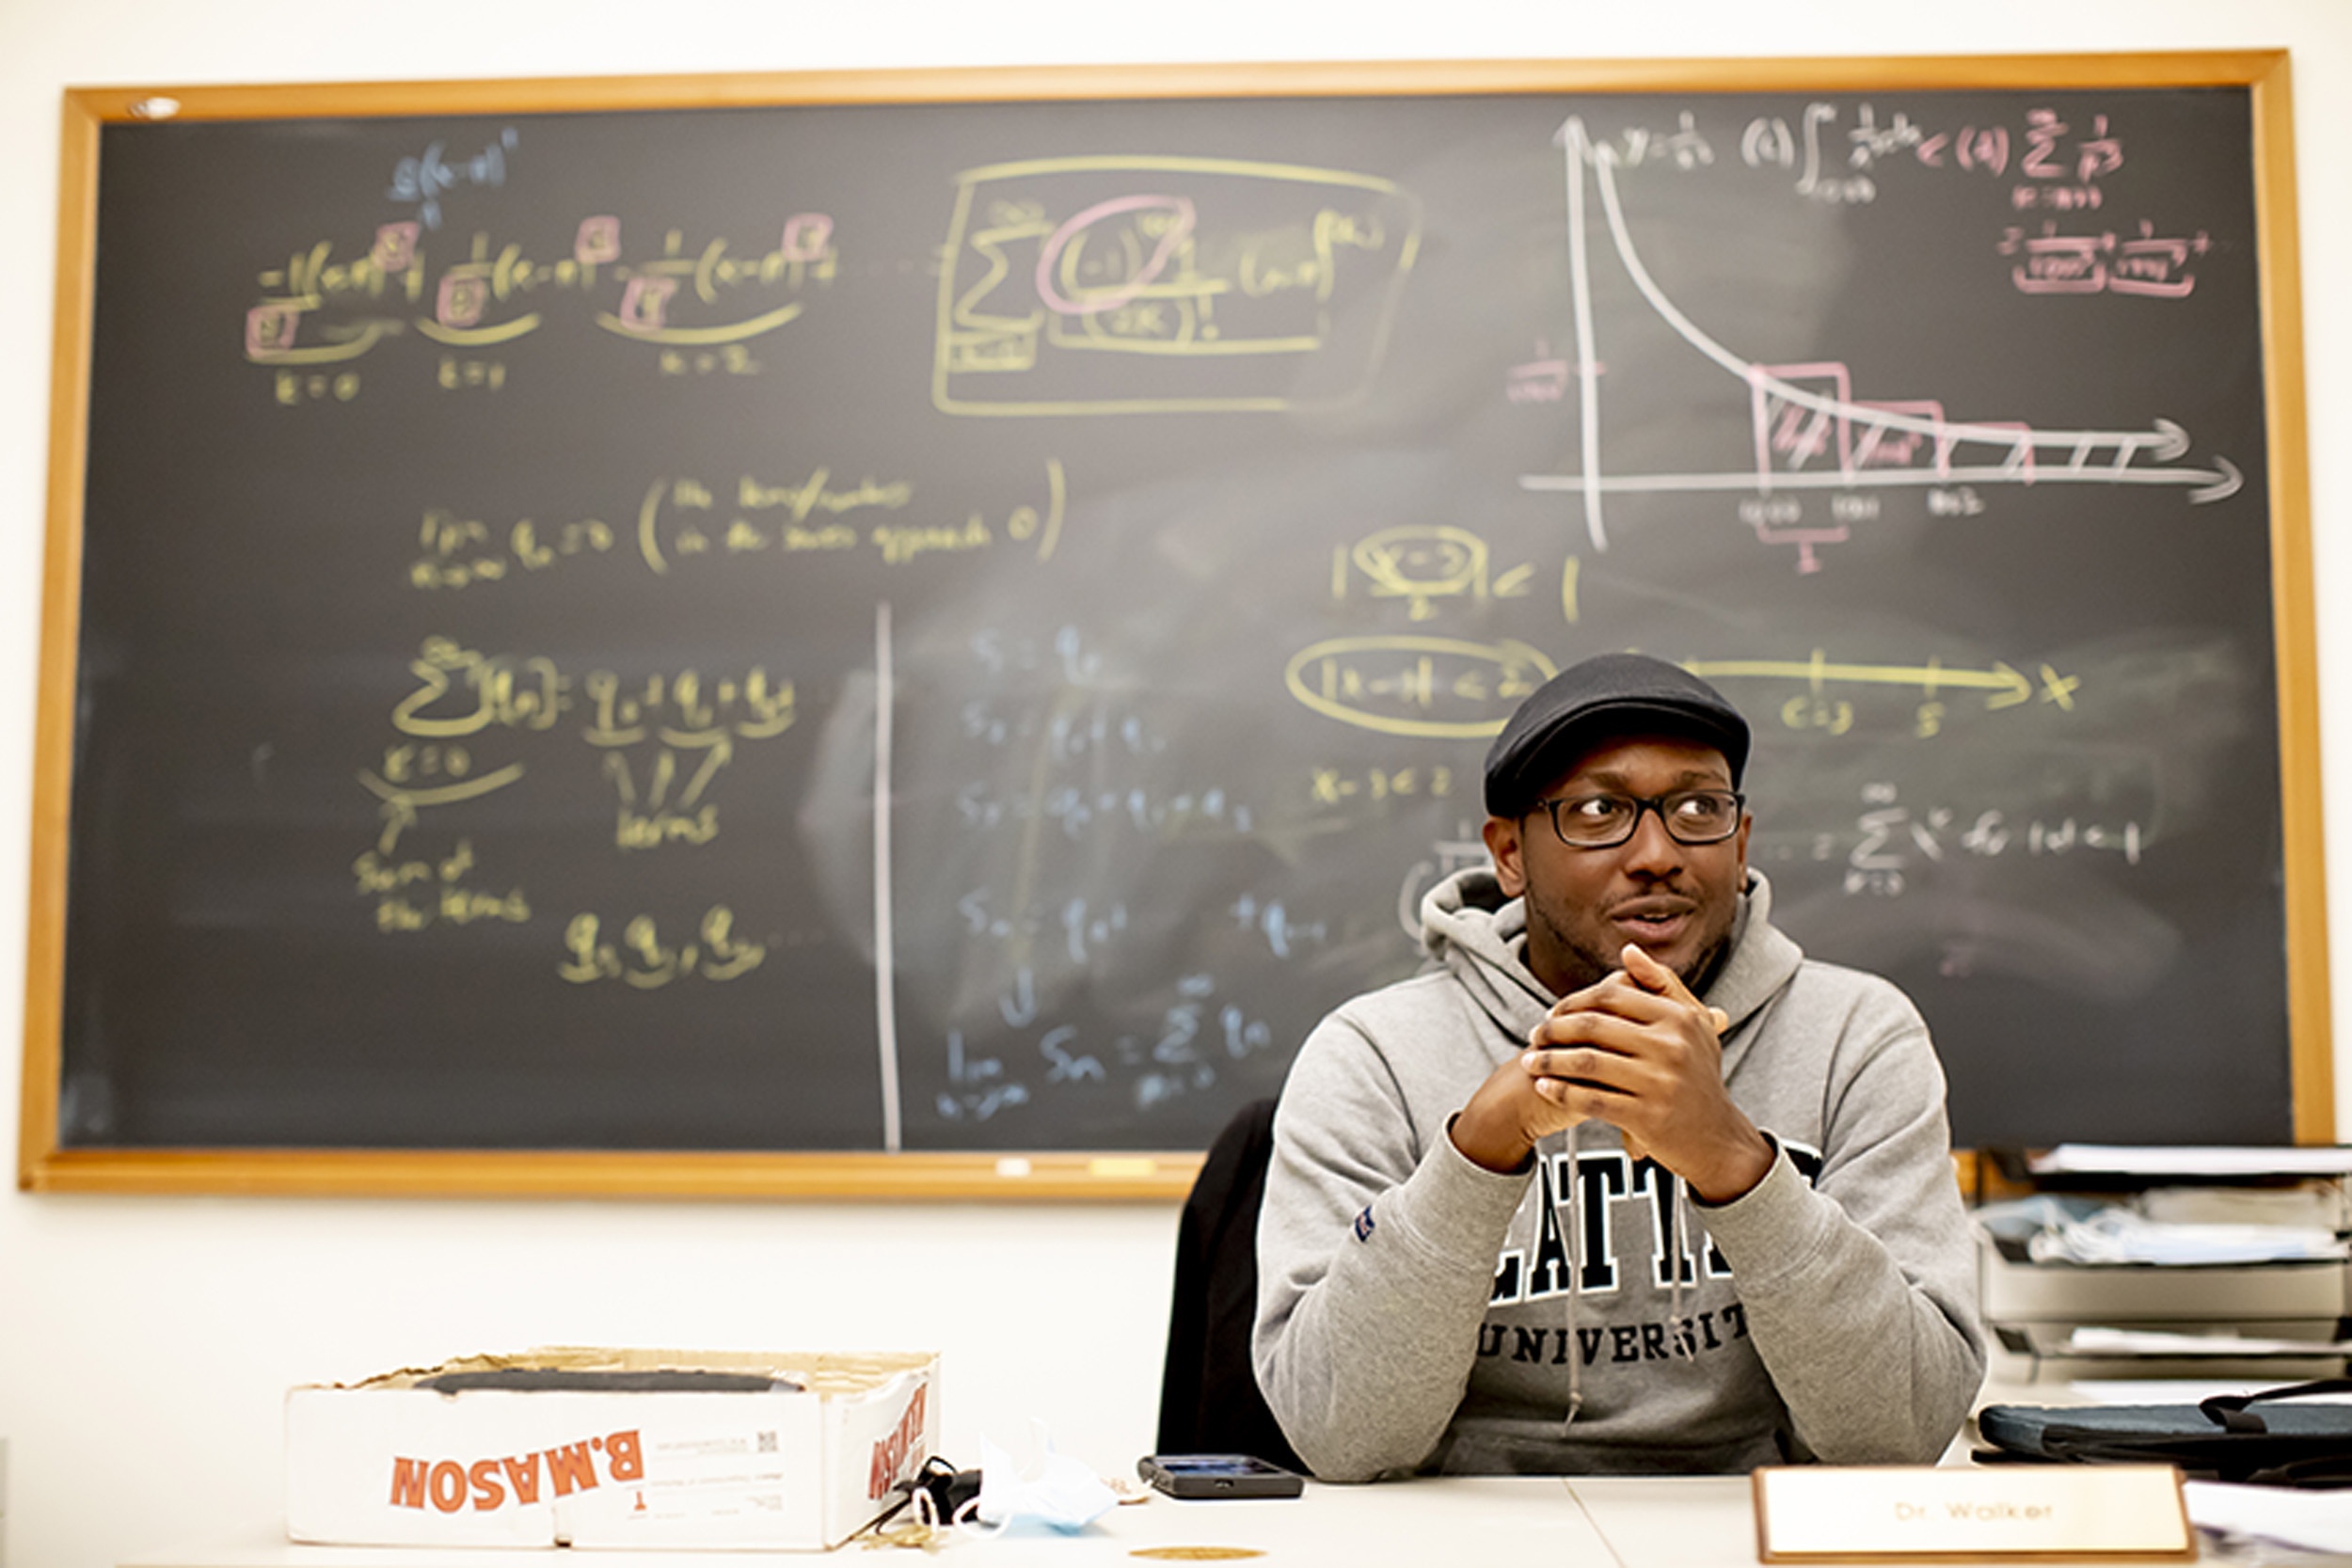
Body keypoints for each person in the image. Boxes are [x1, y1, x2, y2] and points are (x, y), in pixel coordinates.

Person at [1252, 651, 1985, 1479]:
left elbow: (1904, 1432)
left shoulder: (1857, 1036)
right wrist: (1477, 1153)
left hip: (1750, 1534)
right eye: (1600, 811)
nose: (1658, 853)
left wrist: (1732, 1161)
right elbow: (1337, 1436)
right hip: (1470, 1536)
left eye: (1698, 808)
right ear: (1509, 854)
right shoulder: (1373, 1055)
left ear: (1741, 844)